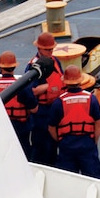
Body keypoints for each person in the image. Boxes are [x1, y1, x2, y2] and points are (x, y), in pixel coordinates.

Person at [47, 65, 100, 178]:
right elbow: (98, 125)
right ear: (81, 80)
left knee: (69, 180)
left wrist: (60, 141)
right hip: (87, 143)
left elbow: (51, 128)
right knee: (93, 178)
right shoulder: (91, 99)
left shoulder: (59, 102)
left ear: (65, 82)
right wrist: (94, 141)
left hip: (67, 145)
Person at [26, 32, 65, 166]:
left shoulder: (55, 61)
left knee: (54, 144)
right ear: (39, 49)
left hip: (55, 109)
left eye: (51, 49)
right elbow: (30, 91)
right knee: (42, 147)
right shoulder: (33, 67)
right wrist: (51, 86)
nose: (50, 52)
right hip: (42, 113)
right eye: (47, 50)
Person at [0, 50, 38, 160]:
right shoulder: (22, 86)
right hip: (20, 130)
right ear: (14, 67)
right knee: (22, 157)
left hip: (0, 128)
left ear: (0, 67)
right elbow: (34, 109)